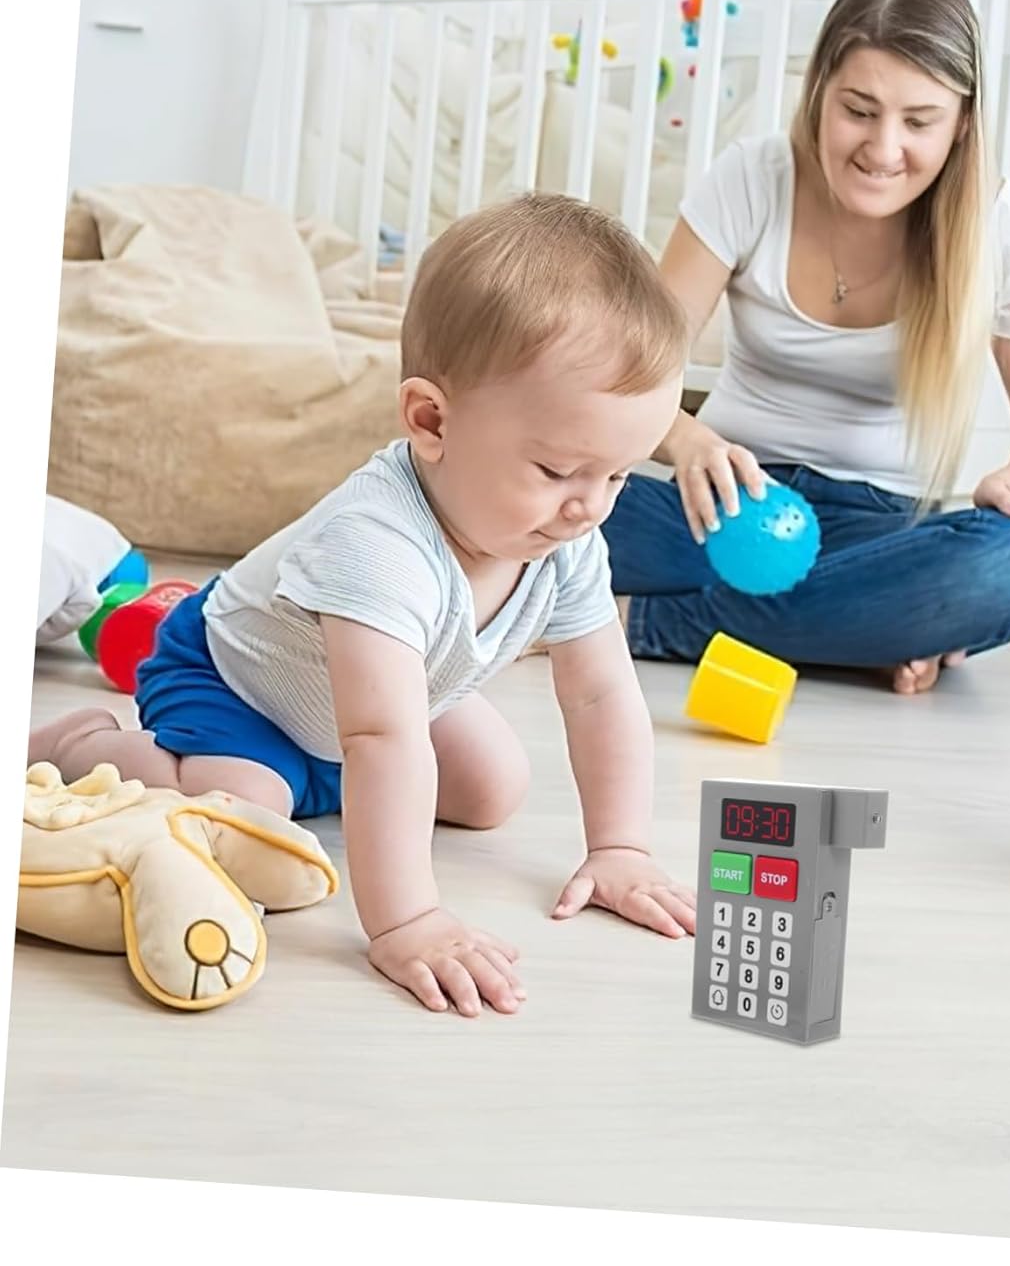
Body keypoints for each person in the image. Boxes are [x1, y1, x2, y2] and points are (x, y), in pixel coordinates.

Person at [28, 194, 697, 1017]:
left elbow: (600, 694)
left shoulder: (565, 540)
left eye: (619, 474)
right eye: (558, 471)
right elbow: (381, 738)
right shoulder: (377, 542)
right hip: (235, 684)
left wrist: (621, 846)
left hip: (372, 703)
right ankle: (90, 742)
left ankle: (328, 786)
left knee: (493, 787)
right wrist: (407, 920)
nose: (589, 506)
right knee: (247, 814)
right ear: (431, 420)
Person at [603, 0, 1010, 695]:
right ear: (820, 90)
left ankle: (641, 623)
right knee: (536, 493)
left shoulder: (1006, 229)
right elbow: (638, 375)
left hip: (879, 533)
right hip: (723, 508)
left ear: (961, 122)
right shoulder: (752, 178)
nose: (883, 150)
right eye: (859, 110)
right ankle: (855, 632)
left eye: (918, 122)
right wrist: (689, 439)